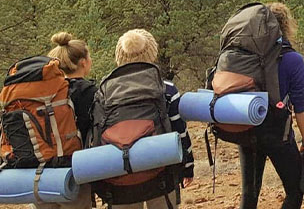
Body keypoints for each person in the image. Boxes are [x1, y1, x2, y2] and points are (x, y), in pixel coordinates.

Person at [109, 29, 194, 209]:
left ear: (120, 56)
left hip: (121, 174)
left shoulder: (106, 91)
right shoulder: (166, 89)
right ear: (152, 54)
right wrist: (187, 166)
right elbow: (180, 130)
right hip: (161, 172)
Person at [238, 2, 304, 209]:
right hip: (277, 133)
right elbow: (300, 106)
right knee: (295, 191)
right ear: (286, 25)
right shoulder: (293, 59)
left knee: (249, 195)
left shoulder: (246, 57)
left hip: (247, 128)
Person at [32, 32, 97, 209]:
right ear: (83, 62)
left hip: (39, 173)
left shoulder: (42, 92)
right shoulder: (89, 92)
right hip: (74, 173)